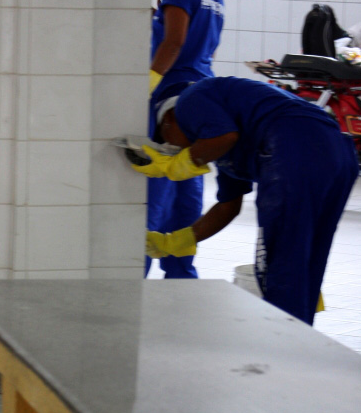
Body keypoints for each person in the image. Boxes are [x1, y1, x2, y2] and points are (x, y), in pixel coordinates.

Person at [131, 76, 358, 326]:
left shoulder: (190, 98)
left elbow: (224, 137)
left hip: (295, 148)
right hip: (338, 156)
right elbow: (228, 207)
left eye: (166, 141)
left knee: (281, 263)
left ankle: (283, 339)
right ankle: (299, 334)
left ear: (168, 120)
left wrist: (178, 165)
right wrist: (176, 241)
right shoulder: (226, 145)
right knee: (305, 260)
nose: (172, 148)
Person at [143, 0, 224, 280]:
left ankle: (135, 276)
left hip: (172, 95)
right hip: (200, 92)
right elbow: (201, 44)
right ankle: (180, 276)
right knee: (186, 184)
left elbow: (174, 41)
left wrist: (149, 83)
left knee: (156, 187)